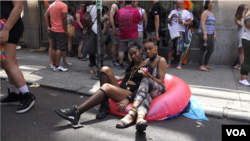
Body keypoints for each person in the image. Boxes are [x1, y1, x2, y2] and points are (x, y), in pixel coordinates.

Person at [55, 43, 147, 123]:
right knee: (104, 69)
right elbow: (129, 77)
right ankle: (104, 105)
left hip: (130, 94)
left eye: (135, 53)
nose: (133, 56)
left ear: (141, 51)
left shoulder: (146, 67)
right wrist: (118, 78)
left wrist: (128, 98)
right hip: (122, 88)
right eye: (131, 55)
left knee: (106, 87)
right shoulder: (133, 65)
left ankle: (76, 112)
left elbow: (144, 87)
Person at [116, 38, 167, 132]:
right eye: (146, 49)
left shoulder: (161, 60)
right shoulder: (147, 61)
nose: (148, 51)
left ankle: (131, 113)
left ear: (156, 47)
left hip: (158, 88)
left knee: (145, 79)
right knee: (146, 95)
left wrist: (149, 76)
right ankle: (140, 118)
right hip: (147, 87)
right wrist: (120, 78)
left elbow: (160, 81)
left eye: (150, 48)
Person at [0, 0, 36, 113]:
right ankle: (14, 93)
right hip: (4, 26)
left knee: (7, 62)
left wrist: (6, 29)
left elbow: (18, 8)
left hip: (8, 27)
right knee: (10, 62)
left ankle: (26, 95)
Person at [115, 0, 142, 69]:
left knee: (121, 50)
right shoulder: (136, 11)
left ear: (125, 2)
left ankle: (120, 64)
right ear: (132, 2)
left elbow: (116, 21)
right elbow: (140, 22)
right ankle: (132, 65)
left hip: (123, 34)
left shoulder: (120, 11)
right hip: (132, 34)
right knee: (132, 50)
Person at [44, 0, 69, 72]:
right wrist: (65, 30)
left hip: (53, 29)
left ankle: (54, 64)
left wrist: (48, 26)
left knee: (54, 48)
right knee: (60, 48)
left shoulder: (52, 5)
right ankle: (57, 65)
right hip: (60, 30)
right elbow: (64, 18)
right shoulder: (63, 5)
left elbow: (45, 15)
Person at [167, 0, 192, 69]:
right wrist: (172, 17)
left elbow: (190, 23)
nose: (178, 5)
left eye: (180, 4)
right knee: (170, 47)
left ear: (183, 4)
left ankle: (180, 63)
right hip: (173, 31)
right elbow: (168, 22)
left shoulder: (186, 12)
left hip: (181, 31)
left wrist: (183, 23)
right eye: (177, 4)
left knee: (180, 48)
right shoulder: (173, 12)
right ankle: (169, 62)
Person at [197, 0, 216, 71]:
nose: (211, 4)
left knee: (211, 50)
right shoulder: (205, 12)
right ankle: (201, 65)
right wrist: (205, 34)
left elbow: (213, 25)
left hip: (210, 34)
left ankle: (205, 64)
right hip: (204, 33)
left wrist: (215, 34)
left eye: (212, 2)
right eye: (209, 2)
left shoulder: (212, 13)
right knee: (203, 49)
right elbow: (202, 24)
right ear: (207, 4)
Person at [233, 4, 248, 70]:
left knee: (245, 52)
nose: (246, 10)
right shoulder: (237, 17)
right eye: (244, 9)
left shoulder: (247, 17)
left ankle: (239, 65)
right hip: (241, 35)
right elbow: (241, 24)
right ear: (241, 10)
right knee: (241, 52)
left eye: (247, 9)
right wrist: (242, 16)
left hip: (247, 35)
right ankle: (241, 66)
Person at [110, 0, 124, 67]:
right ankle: (114, 60)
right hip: (115, 28)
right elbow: (111, 17)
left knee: (118, 44)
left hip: (118, 28)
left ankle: (118, 60)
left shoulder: (118, 6)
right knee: (115, 44)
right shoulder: (114, 5)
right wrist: (114, 28)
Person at [239, 10, 250, 86]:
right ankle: (243, 79)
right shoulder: (248, 17)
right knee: (247, 60)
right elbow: (248, 24)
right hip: (248, 39)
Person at [44, 0, 54, 69]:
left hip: (52, 28)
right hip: (52, 28)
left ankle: (53, 62)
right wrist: (48, 27)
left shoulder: (51, 7)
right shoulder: (51, 7)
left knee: (52, 45)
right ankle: (52, 62)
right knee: (52, 45)